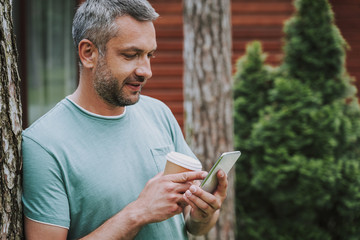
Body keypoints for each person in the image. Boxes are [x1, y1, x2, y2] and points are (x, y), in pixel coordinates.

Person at [22, 0, 229, 239]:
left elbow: (193, 224)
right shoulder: (43, 144)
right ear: (88, 53)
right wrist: (139, 212)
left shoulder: (159, 113)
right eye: (131, 55)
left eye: (149, 55)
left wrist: (204, 214)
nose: (146, 71)